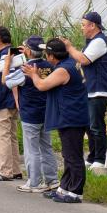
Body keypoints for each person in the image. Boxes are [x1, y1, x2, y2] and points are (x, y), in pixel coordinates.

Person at [22, 38, 89, 203]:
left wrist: (33, 75)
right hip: (71, 115)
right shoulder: (69, 63)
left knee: (73, 156)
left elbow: (42, 86)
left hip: (71, 117)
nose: (45, 55)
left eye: (47, 53)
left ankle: (75, 192)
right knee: (68, 154)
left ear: (52, 56)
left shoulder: (63, 70)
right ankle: (64, 187)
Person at [4, 36, 59, 192]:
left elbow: (7, 82)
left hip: (30, 112)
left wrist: (9, 64)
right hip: (47, 112)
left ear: (28, 50)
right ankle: (52, 179)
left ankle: (34, 181)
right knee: (46, 147)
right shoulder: (50, 66)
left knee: (32, 149)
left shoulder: (26, 68)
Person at [61, 11, 107, 169]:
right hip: (91, 89)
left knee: (96, 126)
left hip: (100, 89)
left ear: (93, 25)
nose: (81, 28)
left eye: (84, 25)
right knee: (89, 126)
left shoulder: (99, 41)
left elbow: (84, 59)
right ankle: (92, 157)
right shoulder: (91, 42)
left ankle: (100, 159)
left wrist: (69, 47)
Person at [0, 26, 22, 182]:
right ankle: (15, 170)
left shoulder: (4, 56)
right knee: (12, 136)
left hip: (1, 99)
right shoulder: (16, 54)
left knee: (3, 136)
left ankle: (6, 171)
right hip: (13, 100)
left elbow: (3, 77)